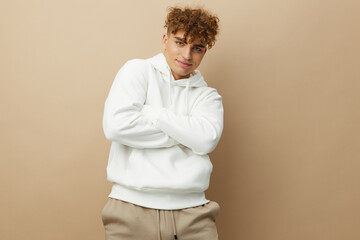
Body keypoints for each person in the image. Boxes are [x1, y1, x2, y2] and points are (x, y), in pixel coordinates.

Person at [101, 6, 223, 240]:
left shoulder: (207, 96)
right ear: (165, 39)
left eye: (196, 48)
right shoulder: (138, 71)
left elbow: (205, 139)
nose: (187, 55)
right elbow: (117, 126)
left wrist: (153, 113)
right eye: (180, 43)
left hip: (193, 214)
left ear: (204, 52)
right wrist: (186, 134)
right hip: (130, 209)